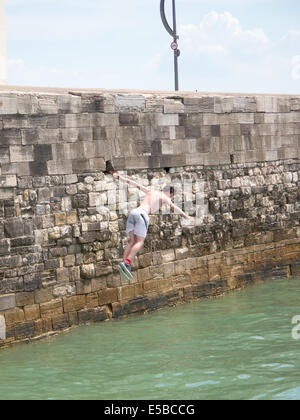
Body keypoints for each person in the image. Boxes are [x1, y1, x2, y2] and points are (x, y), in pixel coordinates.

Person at [113, 172, 194, 280]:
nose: (171, 197)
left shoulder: (151, 191)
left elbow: (135, 184)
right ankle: (127, 262)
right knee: (139, 242)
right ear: (170, 193)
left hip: (133, 212)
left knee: (132, 241)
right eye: (172, 195)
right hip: (142, 215)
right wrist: (186, 216)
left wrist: (120, 178)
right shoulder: (164, 196)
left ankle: (124, 264)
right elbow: (174, 207)